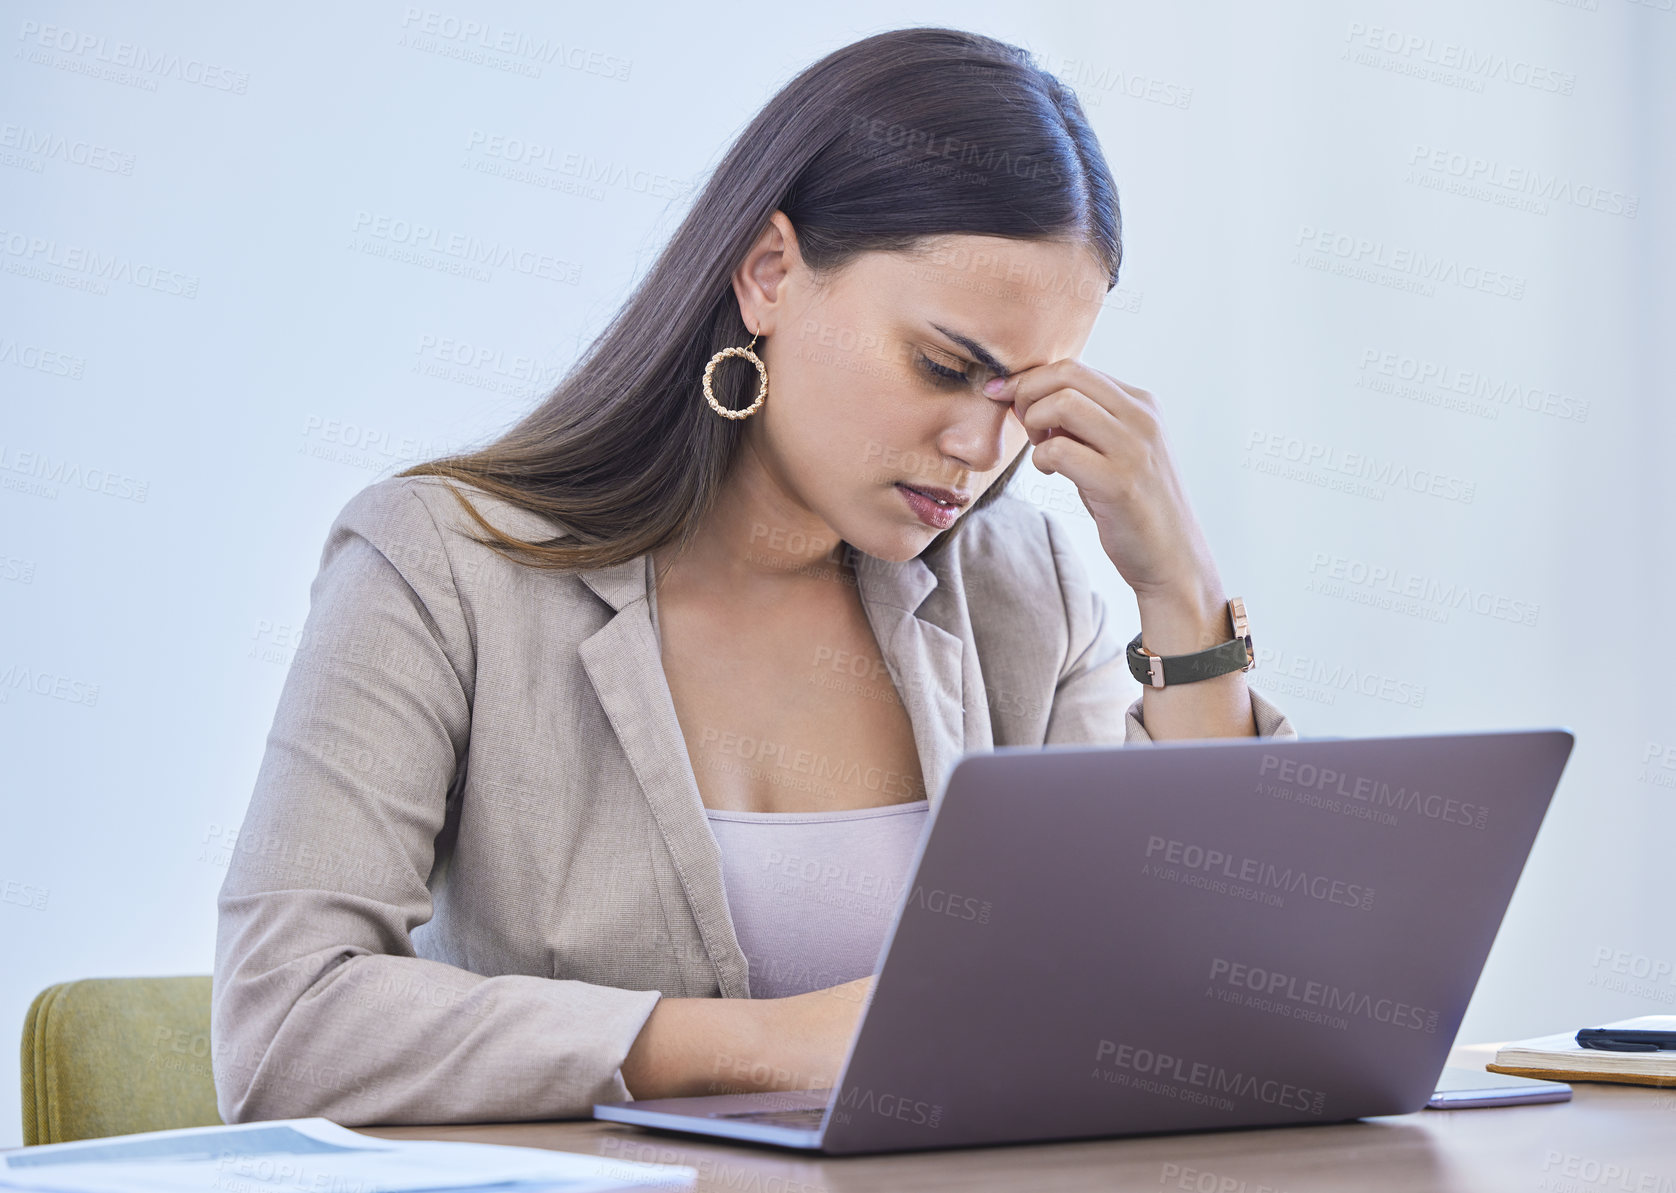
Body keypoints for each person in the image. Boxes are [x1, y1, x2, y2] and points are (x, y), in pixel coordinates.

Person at [211, 25, 1296, 1128]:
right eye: (941, 365)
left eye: (1021, 399)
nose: (981, 447)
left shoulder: (1023, 590)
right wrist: (764, 1046)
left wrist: (1179, 589)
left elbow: (1196, 994)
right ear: (769, 274)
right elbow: (286, 1028)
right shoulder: (440, 564)